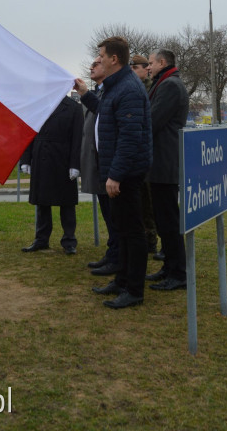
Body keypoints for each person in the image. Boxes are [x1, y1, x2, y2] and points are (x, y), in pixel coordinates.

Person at [75, 36, 152, 310]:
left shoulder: (128, 89)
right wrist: (85, 93)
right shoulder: (113, 88)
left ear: (114, 59)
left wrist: (116, 175)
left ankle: (134, 290)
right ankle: (121, 281)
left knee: (132, 232)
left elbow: (130, 138)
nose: (98, 59)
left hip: (127, 175)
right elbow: (105, 113)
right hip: (117, 171)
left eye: (101, 55)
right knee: (121, 230)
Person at [146, 49, 189, 291]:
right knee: (163, 220)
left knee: (169, 222)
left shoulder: (170, 86)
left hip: (165, 162)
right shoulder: (165, 83)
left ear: (162, 63)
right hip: (160, 162)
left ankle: (178, 274)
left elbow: (153, 120)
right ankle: (169, 268)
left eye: (151, 63)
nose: (148, 67)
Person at [21, 96, 83, 255]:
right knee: (42, 203)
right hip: (41, 156)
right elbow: (28, 132)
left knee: (67, 204)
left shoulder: (73, 107)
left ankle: (69, 241)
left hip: (63, 158)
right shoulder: (38, 103)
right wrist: (26, 159)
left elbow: (77, 138)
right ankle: (41, 239)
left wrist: (75, 164)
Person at [80, 58, 119, 276]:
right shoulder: (101, 92)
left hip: (112, 167)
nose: (91, 67)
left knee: (116, 218)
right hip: (101, 165)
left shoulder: (115, 92)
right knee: (108, 215)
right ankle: (112, 254)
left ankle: (117, 259)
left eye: (97, 62)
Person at [130, 54, 158, 256]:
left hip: (152, 154)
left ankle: (152, 239)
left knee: (151, 202)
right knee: (140, 202)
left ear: (145, 68)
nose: (131, 70)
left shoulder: (151, 88)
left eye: (134, 67)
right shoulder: (134, 88)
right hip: (139, 154)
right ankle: (146, 238)